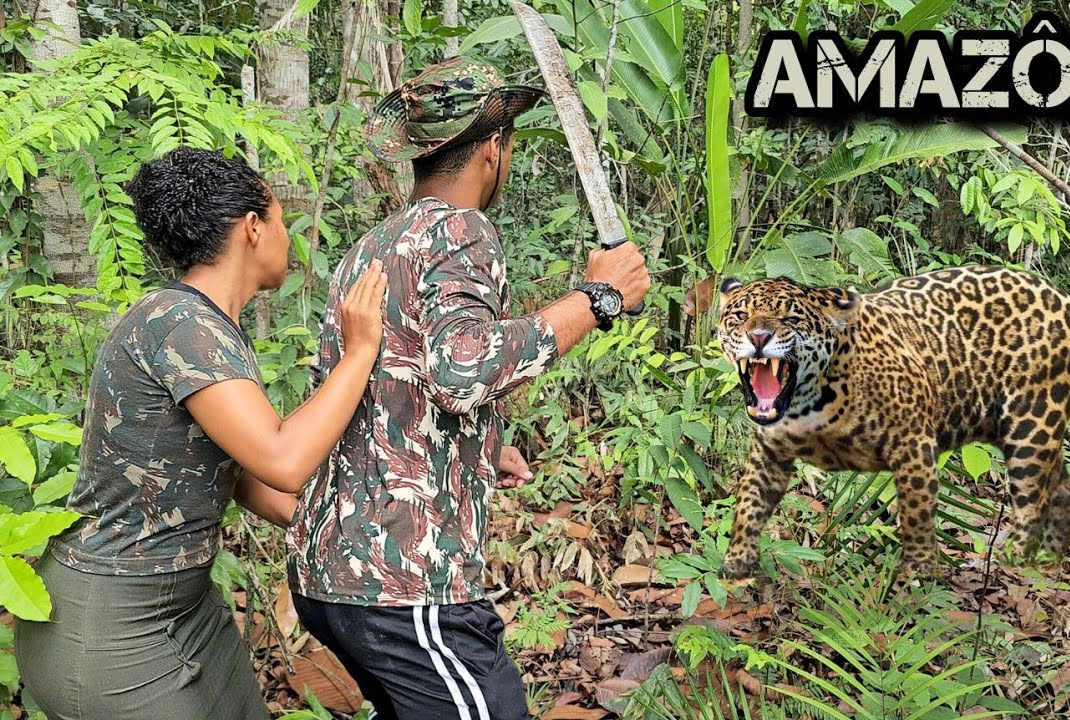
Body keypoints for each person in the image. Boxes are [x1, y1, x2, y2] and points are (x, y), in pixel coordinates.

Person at [286, 57, 651, 720]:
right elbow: (463, 371)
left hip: (328, 570)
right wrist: (596, 299)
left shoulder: (371, 246)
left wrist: (477, 445)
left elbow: (379, 381)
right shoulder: (461, 230)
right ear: (492, 150)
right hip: (400, 586)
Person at [14, 146, 389, 720]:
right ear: (253, 227)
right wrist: (359, 350)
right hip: (113, 628)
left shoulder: (205, 323)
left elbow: (243, 478)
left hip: (184, 608)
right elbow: (283, 460)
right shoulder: (180, 323)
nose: (290, 238)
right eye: (283, 220)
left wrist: (364, 528)